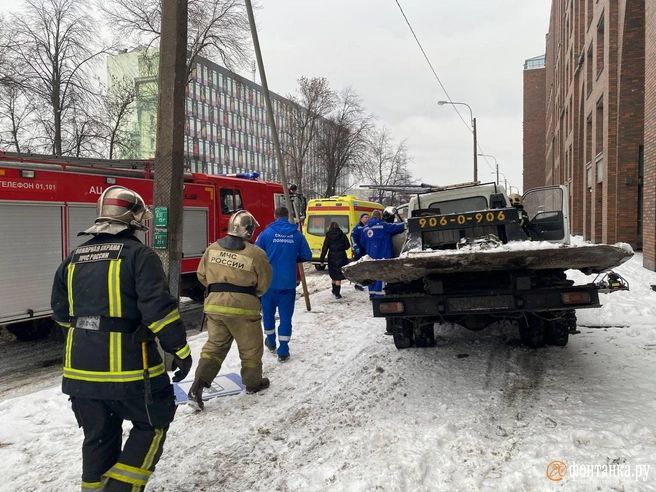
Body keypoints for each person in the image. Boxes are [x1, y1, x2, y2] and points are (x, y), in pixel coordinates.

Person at [51, 185, 192, 492]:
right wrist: (180, 349)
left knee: (99, 437)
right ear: (133, 218)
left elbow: (61, 314)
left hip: (79, 375)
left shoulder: (73, 258)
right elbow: (159, 312)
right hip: (131, 372)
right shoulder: (140, 256)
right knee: (153, 423)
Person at [188, 210, 272, 409]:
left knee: (214, 348)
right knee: (251, 349)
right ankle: (253, 384)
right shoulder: (256, 253)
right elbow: (264, 283)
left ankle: (196, 387)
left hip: (215, 306)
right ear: (249, 230)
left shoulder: (212, 249)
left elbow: (201, 275)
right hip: (244, 310)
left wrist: (218, 289)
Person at [255, 206, 312, 361]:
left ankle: (271, 341)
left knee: (268, 314)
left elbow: (256, 254)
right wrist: (293, 258)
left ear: (275, 216)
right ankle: (284, 349)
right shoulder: (297, 235)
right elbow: (307, 255)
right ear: (288, 216)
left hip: (268, 282)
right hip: (288, 283)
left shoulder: (266, 233)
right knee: (286, 317)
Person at [360, 209, 405, 298]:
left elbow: (362, 242)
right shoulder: (383, 225)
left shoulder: (365, 228)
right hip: (383, 256)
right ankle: (380, 296)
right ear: (380, 216)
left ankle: (372, 295)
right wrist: (405, 223)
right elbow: (398, 227)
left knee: (372, 275)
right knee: (381, 275)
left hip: (370, 256)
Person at [319, 222, 351, 299]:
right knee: (339, 275)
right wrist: (342, 248)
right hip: (341, 256)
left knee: (333, 274)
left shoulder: (328, 236)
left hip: (332, 256)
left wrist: (322, 259)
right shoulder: (342, 235)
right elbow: (347, 246)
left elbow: (324, 248)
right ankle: (337, 293)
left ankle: (334, 290)